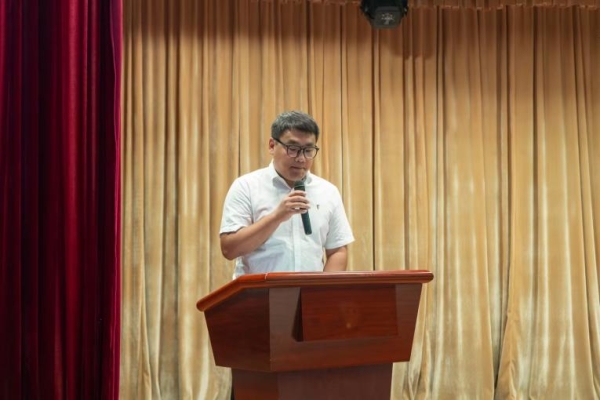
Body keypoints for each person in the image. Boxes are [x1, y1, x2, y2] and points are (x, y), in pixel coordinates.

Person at [219, 109, 355, 278]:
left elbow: (337, 251)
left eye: (308, 150)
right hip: (257, 293)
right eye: (293, 148)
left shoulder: (328, 191)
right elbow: (229, 249)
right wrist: (277, 216)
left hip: (309, 293)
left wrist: (321, 290)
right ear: (272, 145)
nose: (301, 158)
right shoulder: (246, 186)